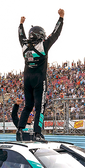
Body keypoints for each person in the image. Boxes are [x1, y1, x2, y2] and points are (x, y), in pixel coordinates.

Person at [16, 8, 64, 141]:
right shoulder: (43, 45)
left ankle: (19, 130)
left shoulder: (24, 46)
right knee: (40, 107)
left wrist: (21, 24)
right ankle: (37, 133)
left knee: (27, 106)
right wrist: (61, 18)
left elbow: (20, 35)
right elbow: (56, 34)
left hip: (27, 79)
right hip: (39, 80)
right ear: (40, 35)